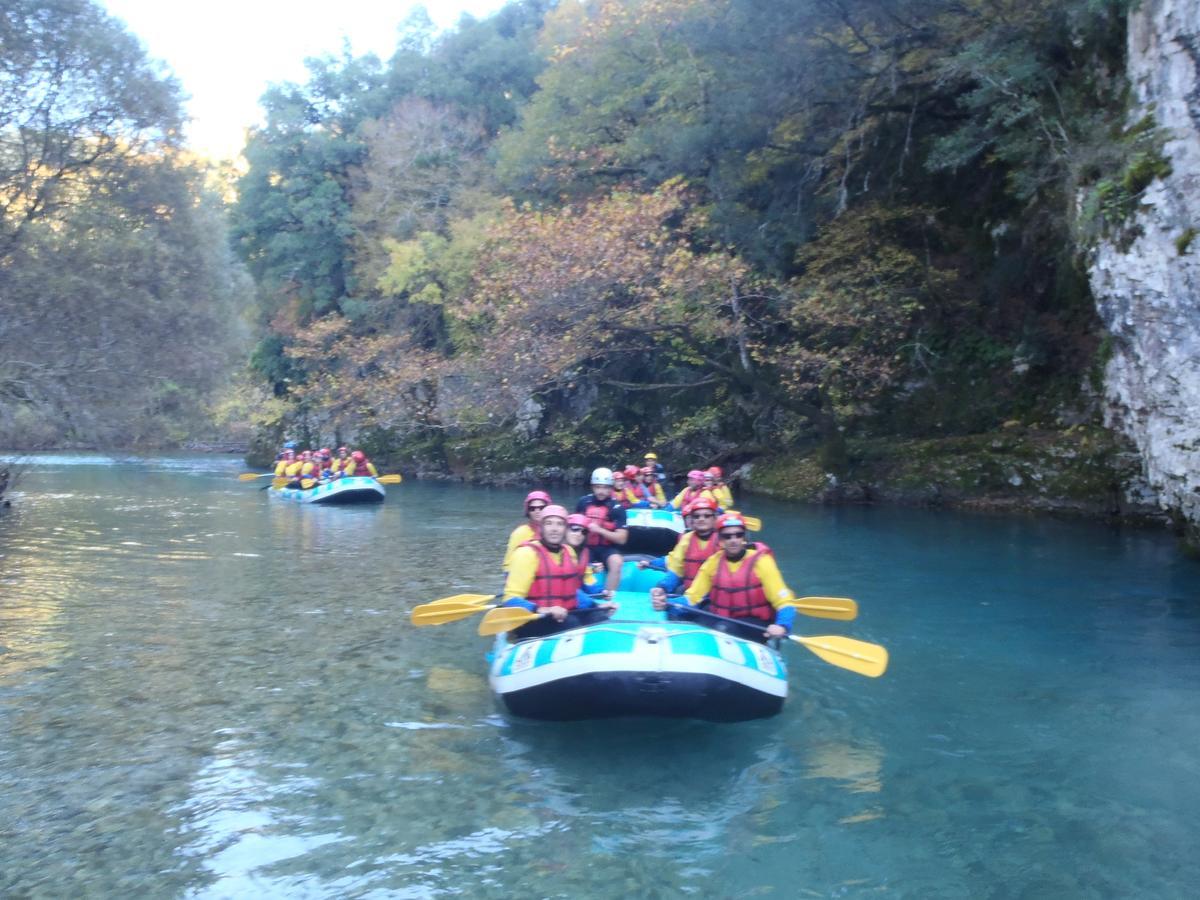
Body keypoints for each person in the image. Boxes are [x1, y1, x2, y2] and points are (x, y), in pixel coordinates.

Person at [651, 513, 797, 643]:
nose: (733, 540)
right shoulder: (713, 562)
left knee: (724, 628)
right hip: (723, 618)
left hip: (754, 623)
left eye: (738, 535)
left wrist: (782, 625)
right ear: (720, 540)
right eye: (727, 536)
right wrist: (667, 603)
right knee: (689, 620)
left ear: (743, 537)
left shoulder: (762, 562)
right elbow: (692, 597)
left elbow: (783, 600)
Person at [501, 505, 616, 638]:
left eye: (560, 524)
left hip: (564, 614)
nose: (554, 529)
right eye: (549, 523)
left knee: (599, 617)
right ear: (541, 527)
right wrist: (543, 609)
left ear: (565, 529)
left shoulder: (569, 552)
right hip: (533, 617)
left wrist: (596, 606)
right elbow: (510, 599)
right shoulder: (526, 553)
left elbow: (572, 593)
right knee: (572, 623)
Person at [640, 497, 722, 591]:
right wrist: (663, 588)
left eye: (707, 516)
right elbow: (675, 568)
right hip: (690, 592)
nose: (701, 519)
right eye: (696, 516)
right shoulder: (686, 540)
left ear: (714, 518)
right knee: (664, 588)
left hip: (713, 593)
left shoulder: (723, 540)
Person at [575, 467, 629, 593]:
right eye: (598, 487)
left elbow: (622, 539)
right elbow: (573, 528)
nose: (601, 491)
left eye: (605, 488)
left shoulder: (617, 508)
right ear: (593, 487)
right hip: (586, 546)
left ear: (611, 488)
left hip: (607, 548)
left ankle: (608, 596)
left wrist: (599, 530)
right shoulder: (583, 502)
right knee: (575, 561)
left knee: (616, 562)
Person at [502, 490, 551, 573]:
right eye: (532, 508)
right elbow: (508, 564)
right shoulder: (519, 533)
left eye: (541, 507)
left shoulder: (556, 531)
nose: (537, 511)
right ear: (528, 511)